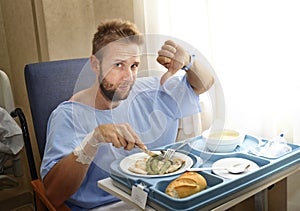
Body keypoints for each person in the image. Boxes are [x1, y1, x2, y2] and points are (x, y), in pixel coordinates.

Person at [40, 19, 214, 210]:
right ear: (95, 64)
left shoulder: (149, 91)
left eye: (134, 66)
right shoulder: (68, 116)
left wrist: (189, 62)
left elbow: (203, 84)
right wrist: (93, 140)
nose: (129, 77)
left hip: (157, 200)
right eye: (118, 65)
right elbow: (53, 194)